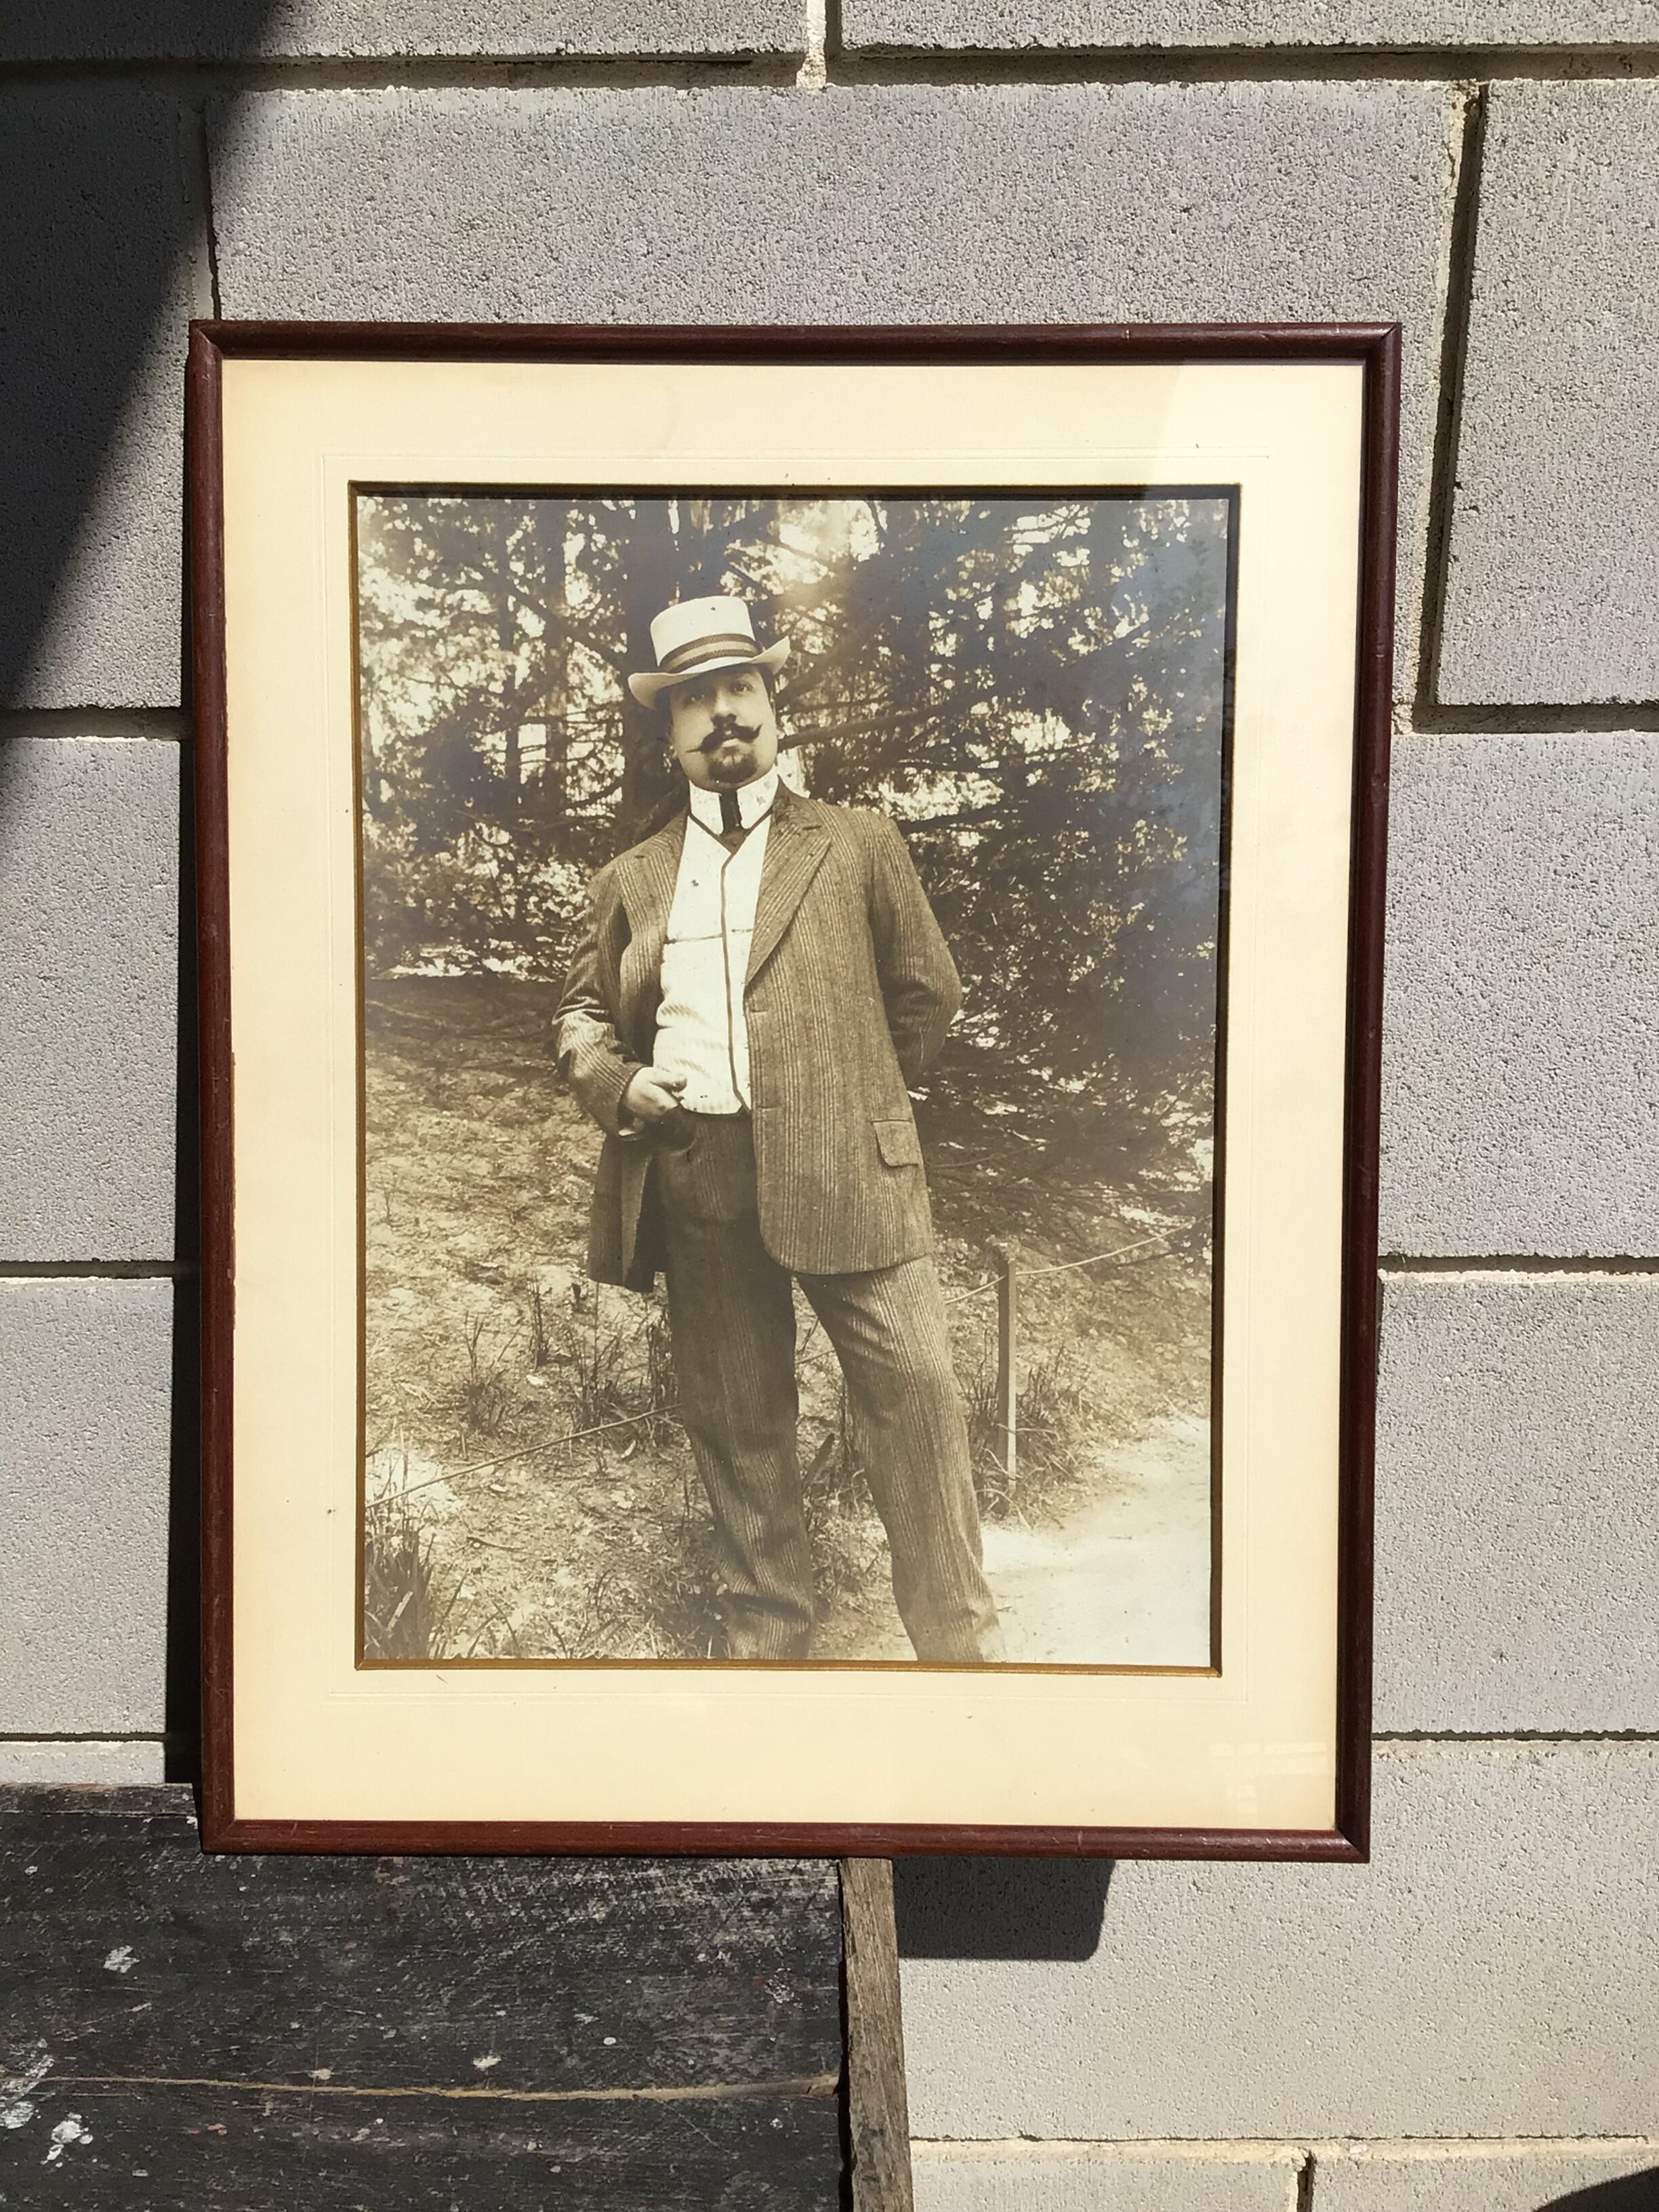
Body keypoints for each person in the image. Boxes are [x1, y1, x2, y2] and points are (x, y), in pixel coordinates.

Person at [556, 594, 1003, 1664]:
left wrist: (858, 1098)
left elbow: (927, 994)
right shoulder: (634, 877)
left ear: (773, 705)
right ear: (667, 733)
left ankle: (964, 1655)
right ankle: (770, 1643)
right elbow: (579, 1012)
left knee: (916, 1396)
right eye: (694, 699)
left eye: (740, 687)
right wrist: (618, 1083)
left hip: (853, 1166)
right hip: (697, 1167)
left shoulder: (858, 843)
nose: (722, 713)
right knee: (736, 1416)